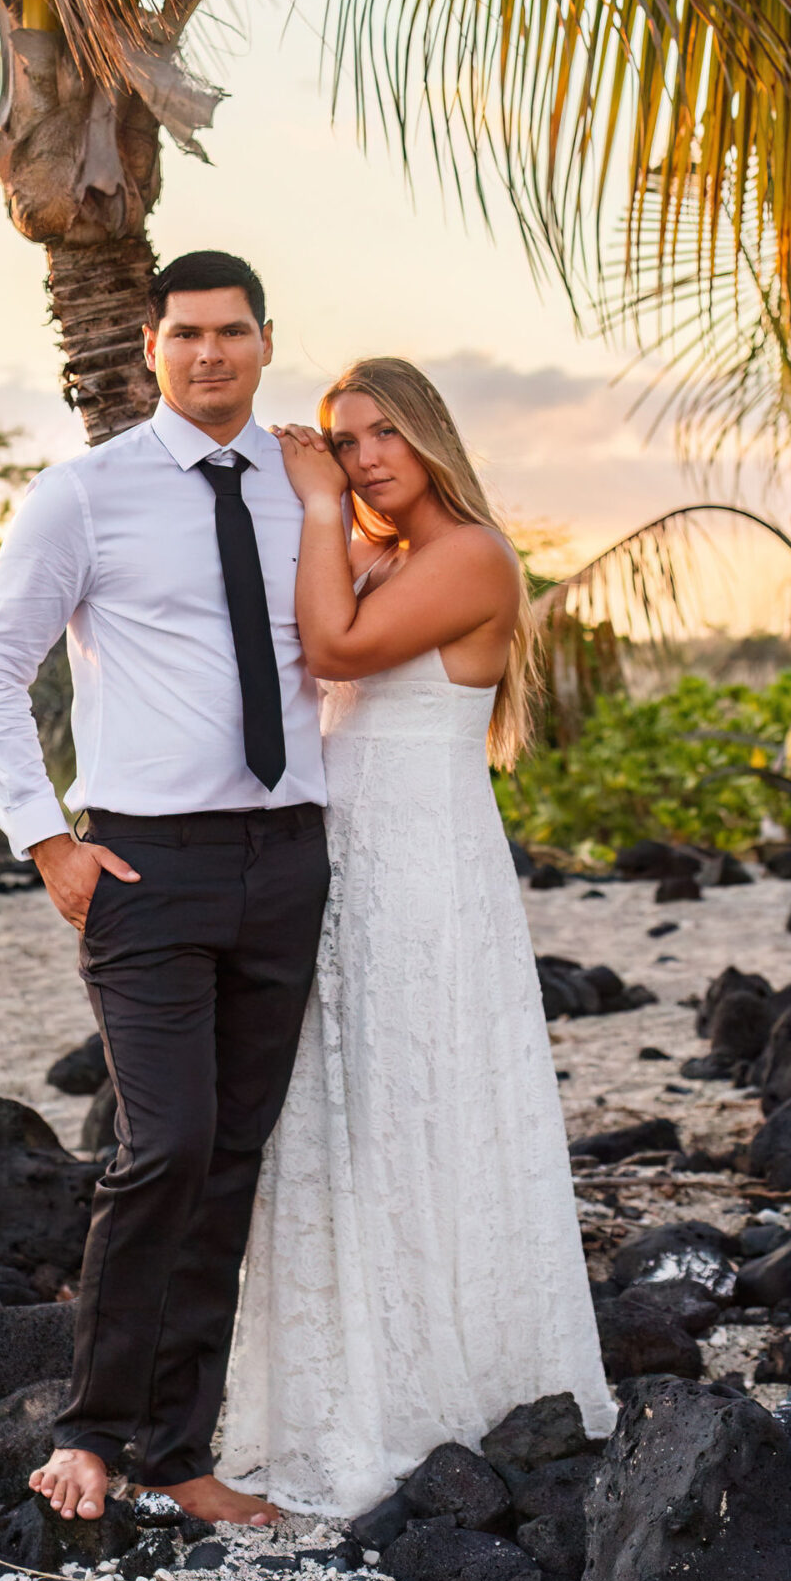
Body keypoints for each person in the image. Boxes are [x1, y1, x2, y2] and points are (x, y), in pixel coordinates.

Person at [0, 249, 329, 1527]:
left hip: (285, 861)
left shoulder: (307, 486)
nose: (209, 353)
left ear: (267, 343)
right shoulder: (86, 495)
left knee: (228, 1162)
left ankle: (180, 1452)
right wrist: (44, 838)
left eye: (232, 331)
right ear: (150, 351)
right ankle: (91, 1430)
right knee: (158, 1147)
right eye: (186, 333)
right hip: (143, 864)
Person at [218, 357, 616, 1517]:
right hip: (346, 873)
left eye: (384, 433)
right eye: (345, 441)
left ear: (432, 435)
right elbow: (283, 596)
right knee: (346, 1115)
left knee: (422, 1107)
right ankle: (349, 1389)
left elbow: (333, 649)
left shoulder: (473, 557)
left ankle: (451, 1395)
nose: (366, 457)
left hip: (426, 880)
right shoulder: (382, 553)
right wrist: (292, 485)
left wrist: (315, 499)